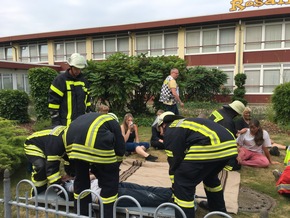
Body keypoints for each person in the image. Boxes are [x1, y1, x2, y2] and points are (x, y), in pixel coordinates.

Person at [157, 111, 238, 218]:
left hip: (212, 144)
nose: (161, 133)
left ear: (163, 124)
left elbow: (174, 161)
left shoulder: (171, 129)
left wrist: (175, 186)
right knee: (210, 176)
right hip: (230, 145)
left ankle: (184, 215)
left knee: (183, 182)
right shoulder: (184, 123)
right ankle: (218, 210)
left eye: (160, 129)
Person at [63, 112, 125, 217]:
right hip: (94, 138)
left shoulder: (89, 117)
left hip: (71, 140)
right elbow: (120, 149)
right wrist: (112, 169)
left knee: (81, 179)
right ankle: (106, 215)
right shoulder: (113, 123)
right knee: (110, 183)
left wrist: (96, 170)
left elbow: (88, 158)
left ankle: (82, 213)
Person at [64, 174, 173, 207]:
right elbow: (81, 184)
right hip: (105, 194)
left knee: (144, 188)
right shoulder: (67, 188)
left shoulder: (72, 180)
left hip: (110, 185)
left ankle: (170, 192)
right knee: (144, 195)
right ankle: (170, 198)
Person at [24, 125, 73, 196]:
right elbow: (51, 170)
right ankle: (37, 192)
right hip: (33, 144)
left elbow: (70, 160)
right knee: (41, 166)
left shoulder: (70, 137)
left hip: (49, 142)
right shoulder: (56, 144)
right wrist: (60, 190)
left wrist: (71, 175)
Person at [48, 53, 92, 126]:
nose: (77, 71)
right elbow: (53, 104)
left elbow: (88, 102)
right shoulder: (60, 80)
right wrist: (56, 123)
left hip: (82, 124)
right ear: (70, 66)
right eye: (76, 68)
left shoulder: (84, 81)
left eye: (79, 69)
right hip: (65, 124)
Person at [208, 100, 245, 171]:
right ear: (235, 112)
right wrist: (236, 155)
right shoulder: (227, 121)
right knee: (236, 165)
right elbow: (229, 141)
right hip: (214, 146)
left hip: (209, 139)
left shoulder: (217, 112)